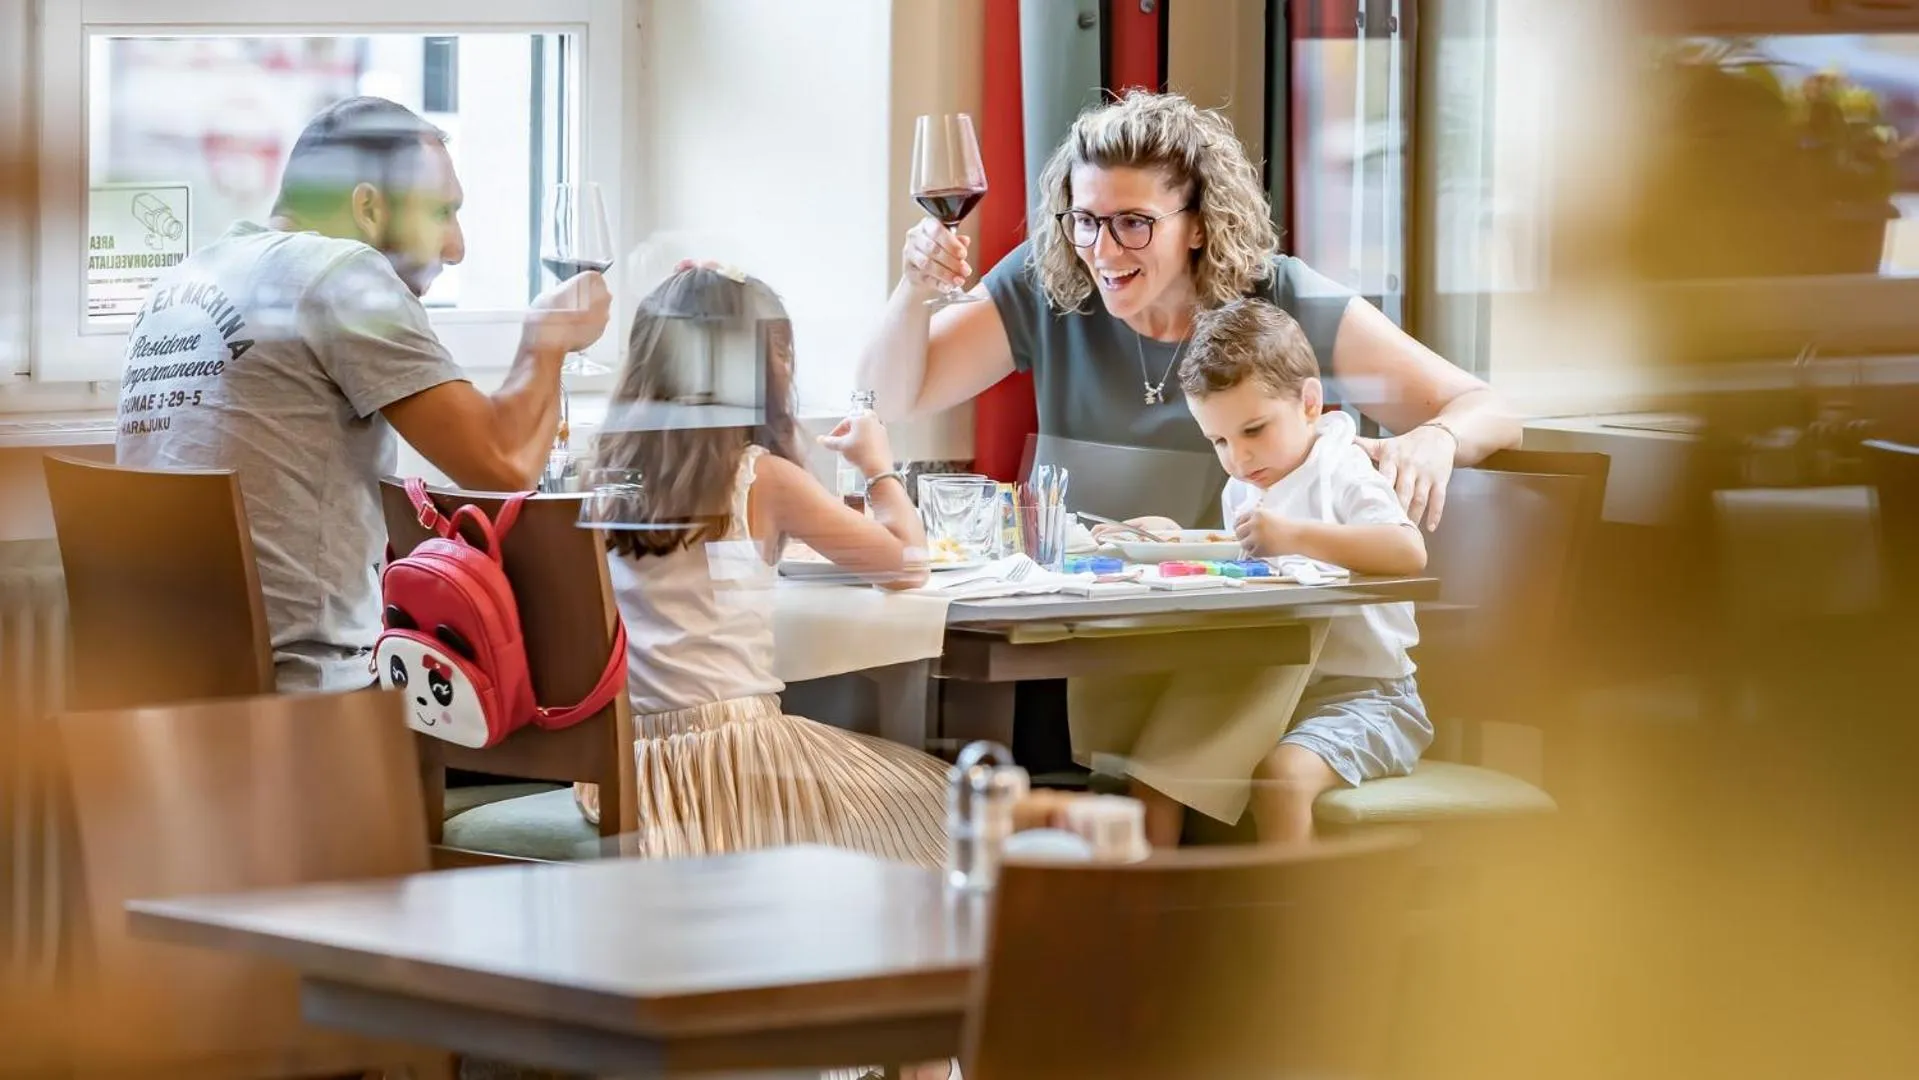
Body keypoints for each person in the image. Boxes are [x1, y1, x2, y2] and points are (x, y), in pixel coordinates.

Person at [114, 96, 610, 693]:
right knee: (548, 699)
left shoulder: (183, 282)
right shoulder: (338, 272)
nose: (457, 247)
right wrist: (547, 337)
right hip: (303, 695)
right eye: (442, 212)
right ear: (369, 206)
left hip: (158, 687)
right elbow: (500, 465)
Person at [857, 89, 1519, 531]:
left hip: (1220, 637)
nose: (1102, 249)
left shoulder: (1278, 298)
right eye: (1085, 220)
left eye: (1134, 223)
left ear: (1198, 224)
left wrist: (1437, 437)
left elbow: (1487, 410)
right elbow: (885, 400)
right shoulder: (1047, 283)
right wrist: (913, 291)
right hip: (1065, 630)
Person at [571, 263, 949, 868]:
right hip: (736, 764)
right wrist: (879, 466)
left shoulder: (602, 475)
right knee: (946, 806)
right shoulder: (760, 478)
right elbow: (907, 563)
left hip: (628, 773)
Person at [1076, 298, 1432, 845]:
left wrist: (1295, 535)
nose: (1239, 458)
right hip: (1269, 686)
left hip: (1368, 696)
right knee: (1154, 775)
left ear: (1309, 402)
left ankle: (1296, 930)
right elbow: (1248, 568)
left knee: (1281, 781)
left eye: (1254, 430)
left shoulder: (1342, 469)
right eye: (1219, 441)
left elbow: (1408, 552)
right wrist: (1174, 541)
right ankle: (1145, 922)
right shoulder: (1247, 484)